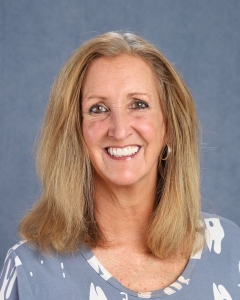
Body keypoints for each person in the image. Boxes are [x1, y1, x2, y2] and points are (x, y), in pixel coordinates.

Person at [0, 32, 239, 300]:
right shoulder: (31, 271)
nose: (120, 129)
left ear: (168, 127)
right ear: (75, 132)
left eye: (139, 104)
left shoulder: (230, 251)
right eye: (98, 109)